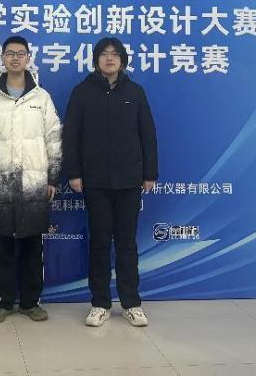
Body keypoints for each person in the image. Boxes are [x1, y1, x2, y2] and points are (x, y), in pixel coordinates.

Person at [62, 37, 158, 328]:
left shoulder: (135, 92)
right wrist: (74, 173)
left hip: (129, 181)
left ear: (122, 60)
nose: (109, 58)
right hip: (95, 182)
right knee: (100, 243)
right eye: (104, 54)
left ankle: (131, 303)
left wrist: (149, 174)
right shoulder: (82, 92)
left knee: (127, 243)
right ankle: (100, 304)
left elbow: (148, 135)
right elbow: (71, 136)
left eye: (115, 54)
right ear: (96, 60)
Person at [0, 36, 62, 323]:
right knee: (4, 245)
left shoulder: (41, 98)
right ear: (2, 58)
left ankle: (31, 302)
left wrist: (52, 177)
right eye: (10, 53)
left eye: (20, 54)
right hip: (1, 183)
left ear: (28, 58)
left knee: (33, 245)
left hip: (35, 182)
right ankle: (5, 302)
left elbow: (53, 138)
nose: (15, 58)